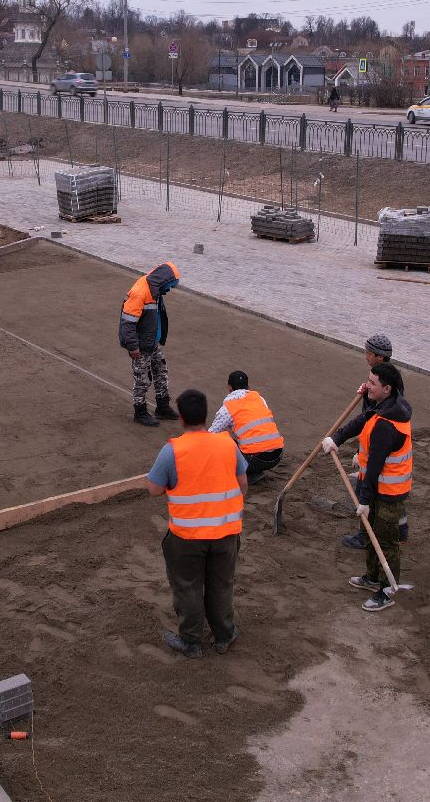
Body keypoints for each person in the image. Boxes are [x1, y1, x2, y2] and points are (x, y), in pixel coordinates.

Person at [146, 389, 247, 657]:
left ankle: (191, 642)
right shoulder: (228, 444)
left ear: (181, 419)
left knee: (188, 586)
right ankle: (224, 635)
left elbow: (154, 489)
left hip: (187, 537)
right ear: (205, 415)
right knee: (221, 584)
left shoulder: (172, 451)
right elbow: (242, 485)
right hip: (226, 533)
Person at [320, 363, 411, 612]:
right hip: (378, 487)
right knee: (370, 533)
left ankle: (386, 590)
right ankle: (372, 577)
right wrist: (336, 438)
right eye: (368, 380)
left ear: (387, 388)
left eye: (372, 383)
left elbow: (374, 467)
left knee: (385, 540)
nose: (366, 385)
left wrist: (365, 499)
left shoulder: (387, 425)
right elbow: (361, 421)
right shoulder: (383, 406)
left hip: (389, 491)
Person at [341, 334, 408, 549]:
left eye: (369, 353)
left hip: (382, 451)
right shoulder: (385, 379)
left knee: (369, 490)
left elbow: (370, 417)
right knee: (390, 500)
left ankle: (365, 536)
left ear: (380, 357)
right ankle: (399, 531)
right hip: (377, 445)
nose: (366, 356)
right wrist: (367, 393)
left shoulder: (389, 384)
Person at [120, 261, 181, 426]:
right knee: (142, 379)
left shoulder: (155, 291)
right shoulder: (140, 293)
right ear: (163, 281)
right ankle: (140, 411)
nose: (169, 290)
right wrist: (133, 347)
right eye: (169, 286)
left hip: (152, 342)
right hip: (140, 346)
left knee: (161, 371)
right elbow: (127, 324)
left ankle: (162, 407)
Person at [209, 370, 285, 483]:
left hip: (254, 460)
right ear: (248, 386)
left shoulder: (227, 408)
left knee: (220, 441)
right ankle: (254, 471)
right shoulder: (260, 399)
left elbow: (211, 435)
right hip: (277, 455)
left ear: (229, 388)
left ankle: (247, 473)